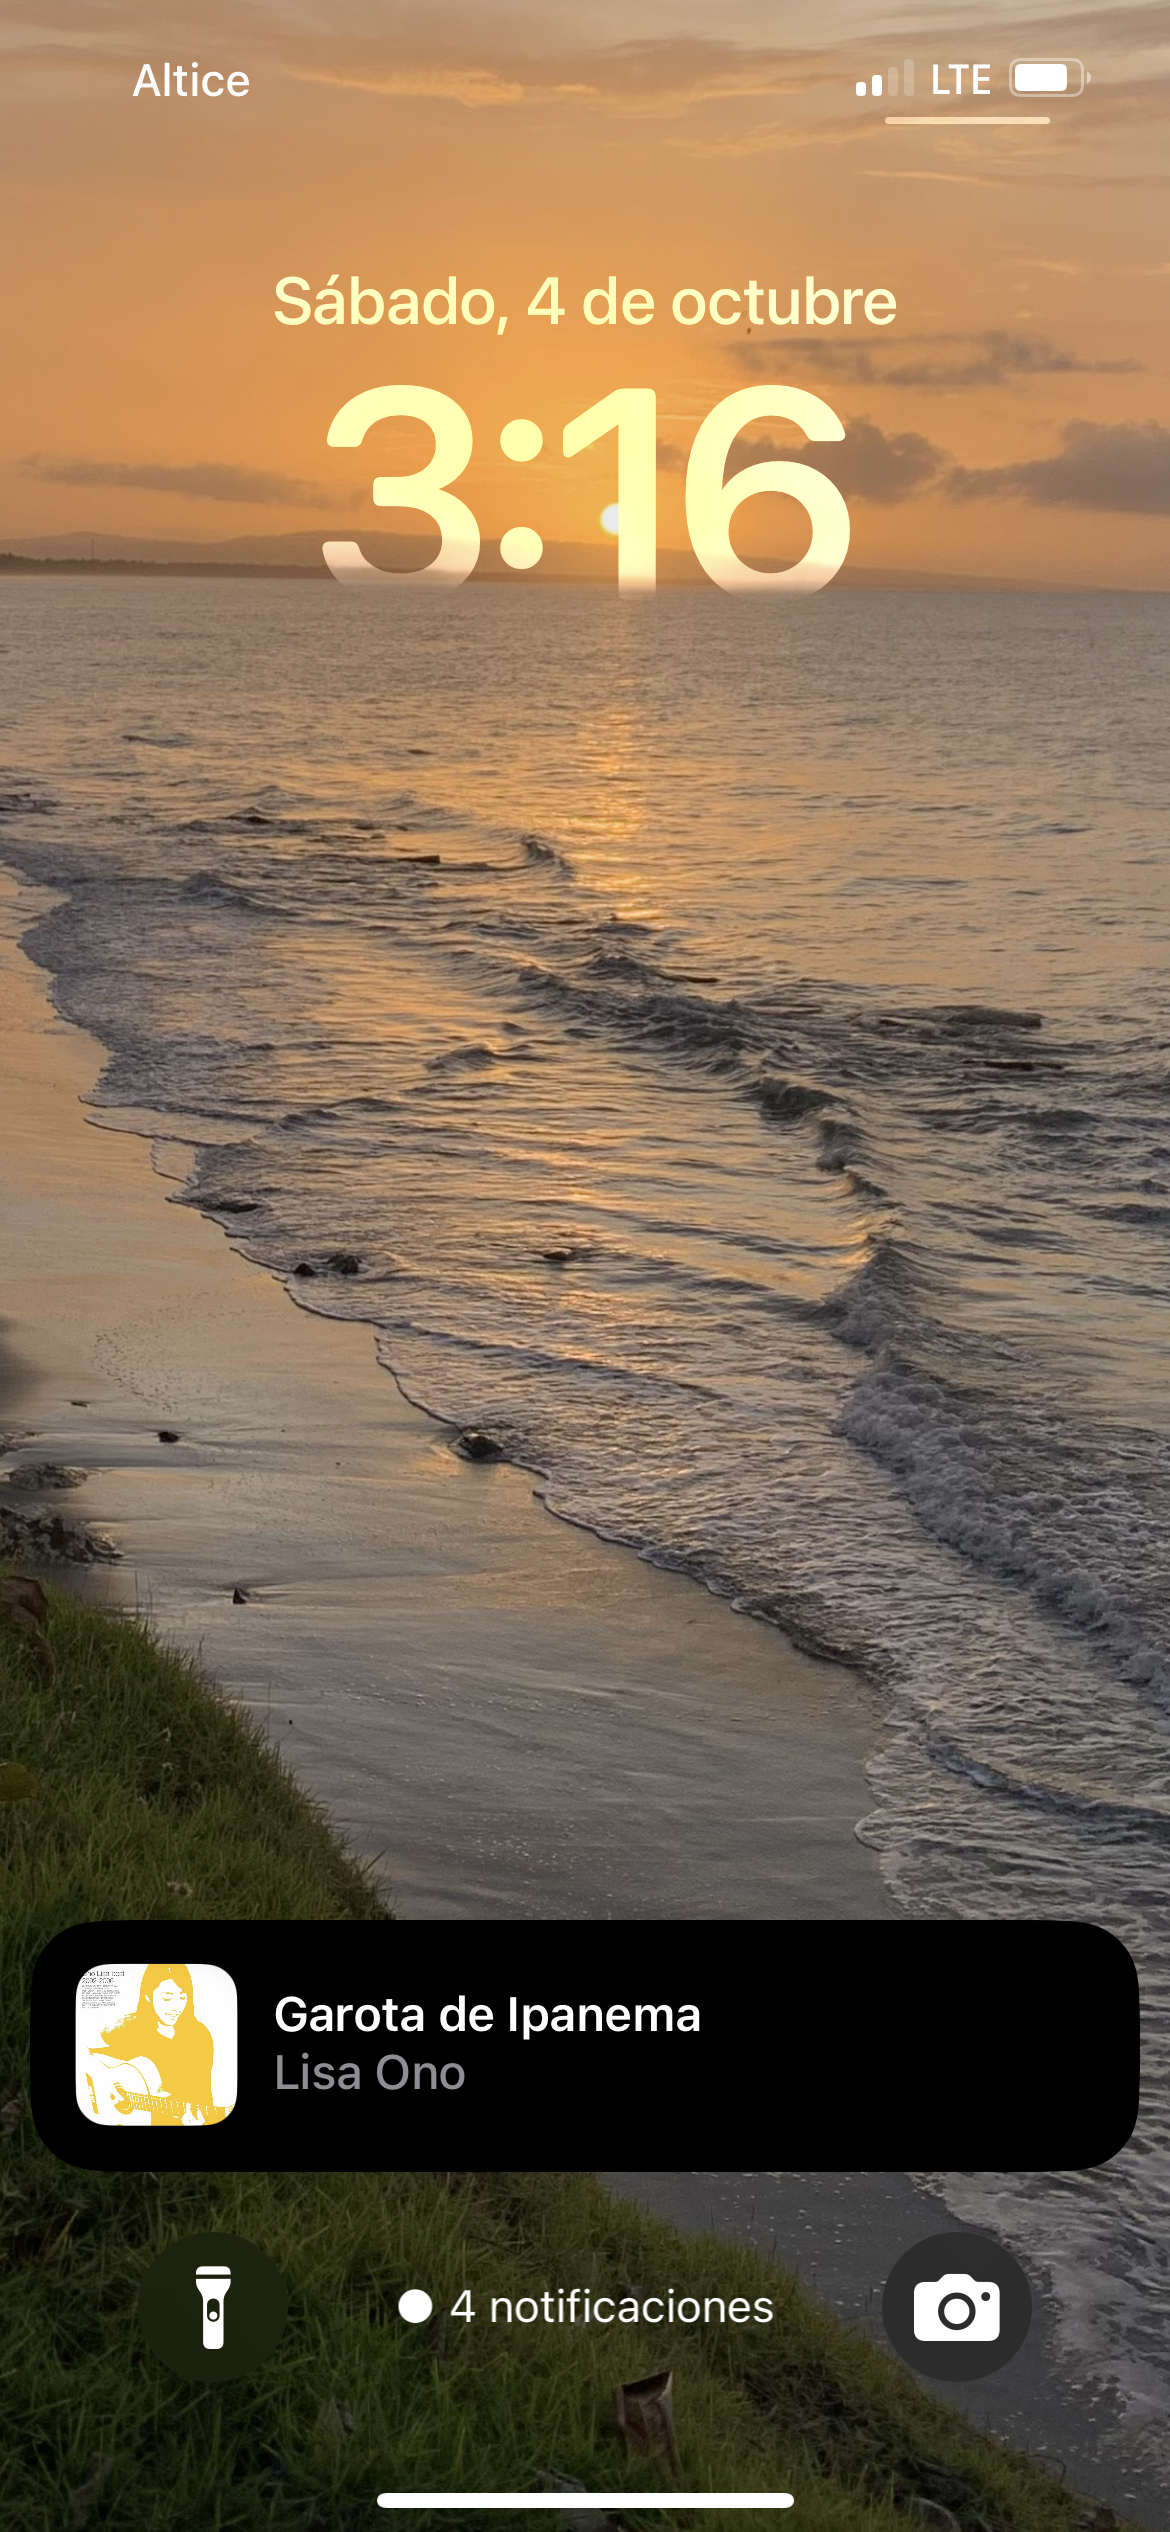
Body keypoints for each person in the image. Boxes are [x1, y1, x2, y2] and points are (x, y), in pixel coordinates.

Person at [95, 1963, 221, 2125]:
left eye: (183, 1997)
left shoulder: (200, 2035)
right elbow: (90, 2057)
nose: (176, 2007)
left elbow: (204, 2095)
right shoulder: (130, 2029)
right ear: (148, 1995)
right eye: (167, 1997)